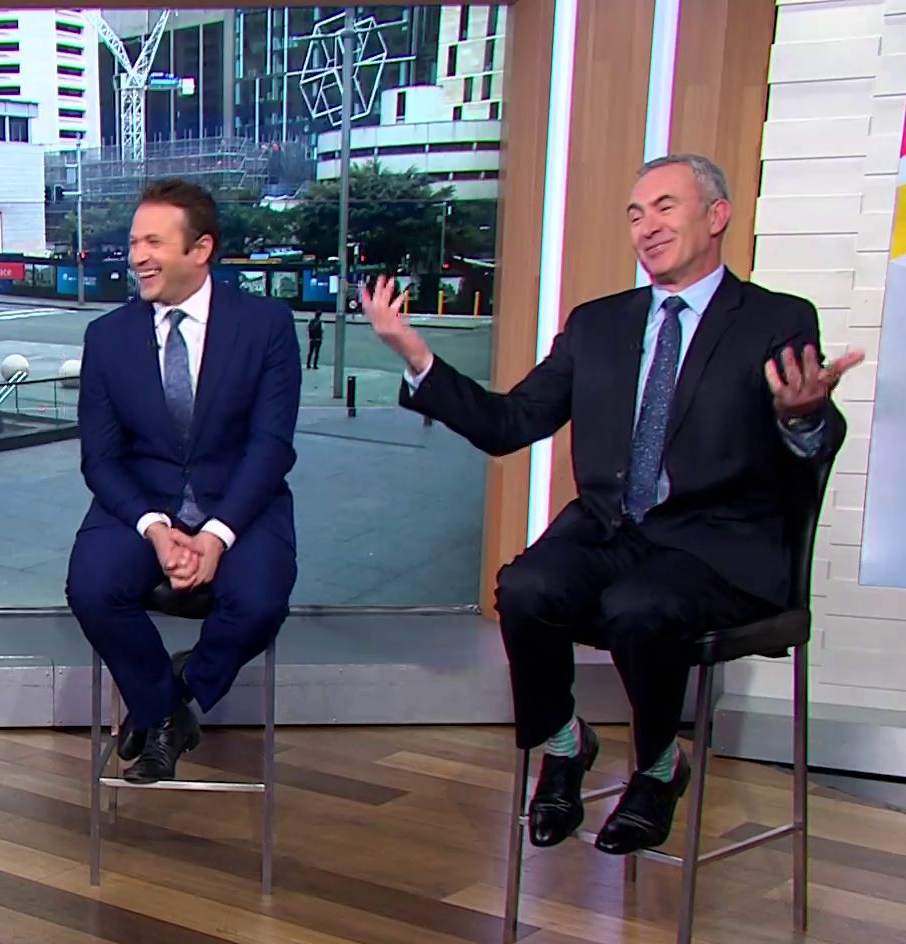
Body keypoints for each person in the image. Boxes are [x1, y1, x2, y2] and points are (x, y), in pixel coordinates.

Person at [359, 153, 860, 854]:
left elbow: (813, 440)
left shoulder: (774, 319)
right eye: (635, 214)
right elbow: (509, 424)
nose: (646, 226)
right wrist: (415, 355)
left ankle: (658, 766)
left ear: (717, 216)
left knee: (638, 606)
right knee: (526, 588)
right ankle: (565, 745)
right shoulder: (597, 325)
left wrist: (802, 415)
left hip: (716, 544)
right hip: (609, 533)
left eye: (665, 207)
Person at [67, 179, 302, 783]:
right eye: (133, 242)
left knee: (258, 603)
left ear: (201, 249)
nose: (137, 256)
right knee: (92, 587)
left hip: (241, 500)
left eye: (153, 242)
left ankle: (177, 694)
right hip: (140, 501)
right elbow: (100, 459)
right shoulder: (107, 338)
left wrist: (217, 535)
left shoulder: (267, 326)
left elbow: (271, 447)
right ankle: (166, 713)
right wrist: (153, 527)